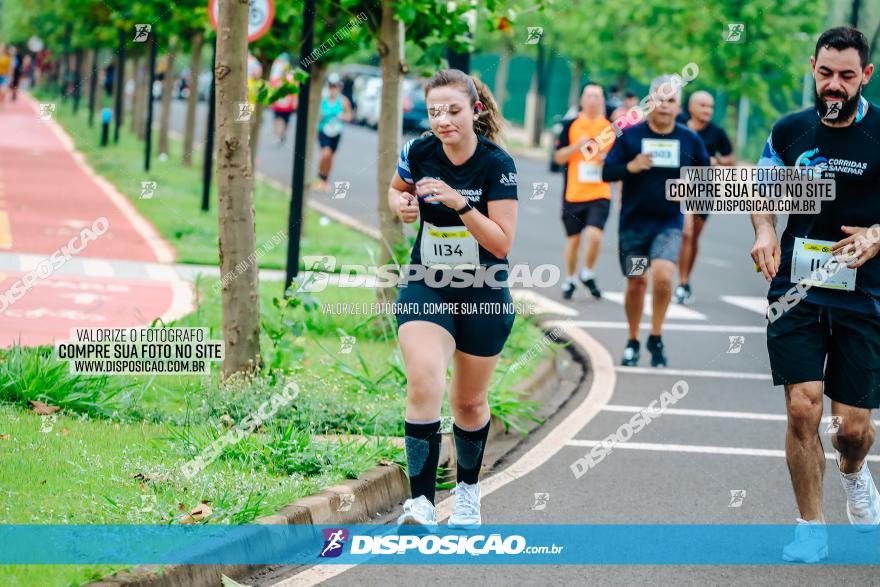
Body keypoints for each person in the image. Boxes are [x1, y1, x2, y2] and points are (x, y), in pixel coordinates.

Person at [751, 26, 880, 563]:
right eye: (825, 72)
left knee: (852, 428)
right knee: (803, 410)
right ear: (813, 67)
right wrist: (763, 230)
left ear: (865, 76)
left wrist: (878, 235)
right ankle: (810, 525)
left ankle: (853, 469)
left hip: (864, 294)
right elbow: (760, 189)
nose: (834, 84)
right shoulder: (790, 131)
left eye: (846, 75)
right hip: (796, 289)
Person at [386, 69, 517, 529]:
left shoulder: (497, 165)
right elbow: (398, 191)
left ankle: (467, 495)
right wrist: (400, 206)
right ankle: (421, 503)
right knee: (424, 381)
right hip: (429, 281)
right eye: (434, 111)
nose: (443, 120)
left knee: (467, 404)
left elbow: (501, 243)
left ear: (475, 110)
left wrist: (461, 205)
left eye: (453, 110)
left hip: (483, 291)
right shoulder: (418, 151)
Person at [602, 75, 710, 367]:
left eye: (671, 100)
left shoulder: (689, 139)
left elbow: (707, 175)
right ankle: (633, 339)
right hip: (634, 225)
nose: (664, 105)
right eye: (660, 99)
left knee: (663, 277)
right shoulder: (632, 136)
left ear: (679, 107)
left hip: (668, 224)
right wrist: (631, 166)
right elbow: (607, 172)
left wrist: (693, 191)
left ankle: (657, 334)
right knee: (637, 282)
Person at [553, 84, 615, 299]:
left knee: (595, 235)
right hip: (573, 193)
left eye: (597, 96)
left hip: (600, 192)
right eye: (588, 96)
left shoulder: (609, 128)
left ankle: (587, 272)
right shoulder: (570, 125)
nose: (592, 100)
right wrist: (576, 146)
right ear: (581, 100)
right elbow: (558, 158)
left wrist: (605, 160)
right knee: (574, 240)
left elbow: (617, 162)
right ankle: (570, 278)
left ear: (602, 101)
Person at [674, 90, 735, 305]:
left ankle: (686, 279)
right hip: (681, 186)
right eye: (703, 106)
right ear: (691, 107)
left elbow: (729, 159)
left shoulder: (716, 133)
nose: (707, 110)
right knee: (686, 233)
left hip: (705, 189)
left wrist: (715, 162)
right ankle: (681, 283)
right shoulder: (678, 125)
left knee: (694, 237)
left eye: (710, 106)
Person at [314, 73, 353, 192]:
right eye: (331, 86)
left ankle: (325, 180)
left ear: (340, 87)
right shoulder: (323, 100)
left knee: (330, 157)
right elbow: (317, 117)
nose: (333, 89)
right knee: (325, 154)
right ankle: (319, 177)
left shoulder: (343, 101)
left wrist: (343, 116)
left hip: (336, 132)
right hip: (323, 131)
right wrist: (315, 131)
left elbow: (350, 116)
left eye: (336, 86)